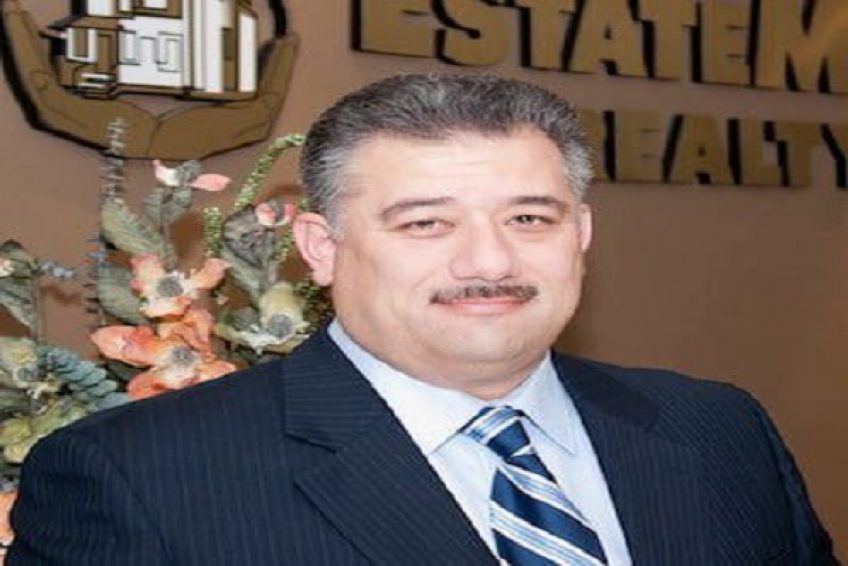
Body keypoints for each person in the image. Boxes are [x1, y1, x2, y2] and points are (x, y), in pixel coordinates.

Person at [7, 74, 838, 565]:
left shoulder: (718, 430)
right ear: (321, 249)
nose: (490, 262)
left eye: (530, 218)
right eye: (426, 223)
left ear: (581, 236)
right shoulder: (137, 478)